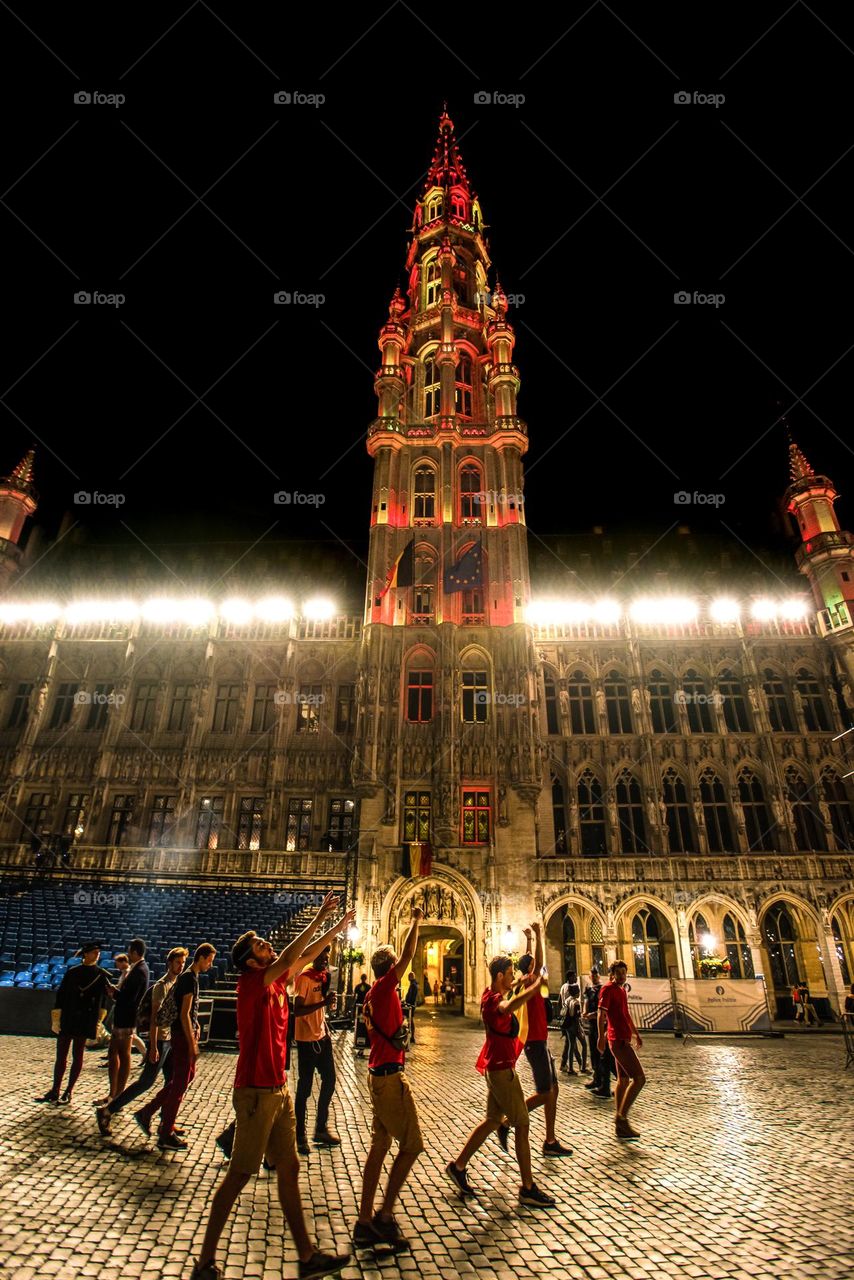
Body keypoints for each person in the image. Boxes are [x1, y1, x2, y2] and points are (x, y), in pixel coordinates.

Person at [192, 893, 353, 1280]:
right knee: (239, 1175)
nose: (269, 944)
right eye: (261, 945)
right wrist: (317, 916)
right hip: (255, 1091)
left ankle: (307, 1255)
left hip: (278, 1089)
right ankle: (204, 1262)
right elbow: (288, 957)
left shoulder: (278, 979)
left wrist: (336, 927)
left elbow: (305, 955)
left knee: (290, 1167)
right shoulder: (251, 983)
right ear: (252, 960)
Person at [445, 953, 556, 1207]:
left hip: (497, 1068)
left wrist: (522, 981)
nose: (511, 978)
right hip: (501, 1071)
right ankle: (528, 1187)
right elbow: (508, 1006)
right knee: (522, 1123)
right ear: (498, 976)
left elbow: (513, 987)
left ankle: (458, 1166)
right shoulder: (494, 1002)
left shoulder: (488, 993)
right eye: (507, 975)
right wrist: (534, 988)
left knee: (493, 1120)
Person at [353, 907, 425, 1252]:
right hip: (388, 1078)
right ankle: (383, 1214)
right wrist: (415, 920)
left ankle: (365, 1221)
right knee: (411, 1145)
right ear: (389, 969)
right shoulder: (383, 989)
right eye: (396, 965)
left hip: (376, 1073)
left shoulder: (372, 994)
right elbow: (410, 953)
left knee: (379, 1148)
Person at [96, 946, 188, 1136]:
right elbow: (155, 1019)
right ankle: (107, 1110)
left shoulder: (177, 984)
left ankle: (166, 1121)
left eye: (183, 962)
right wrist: (152, 1047)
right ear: (170, 963)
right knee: (145, 1082)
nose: (181, 966)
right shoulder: (161, 986)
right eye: (178, 962)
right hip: (160, 1041)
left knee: (172, 1082)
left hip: (169, 1040)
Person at [134, 942, 216, 1150]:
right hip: (182, 1036)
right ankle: (165, 1130)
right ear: (202, 957)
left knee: (185, 1078)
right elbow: (184, 1013)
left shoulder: (189, 978)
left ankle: (149, 1112)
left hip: (183, 1034)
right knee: (179, 1082)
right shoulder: (189, 979)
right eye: (210, 960)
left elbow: (189, 1012)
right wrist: (192, 1042)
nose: (211, 965)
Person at [504, 924, 571, 1157]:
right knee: (545, 1092)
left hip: (540, 1040)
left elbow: (530, 962)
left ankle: (550, 1138)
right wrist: (540, 934)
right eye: (532, 963)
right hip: (535, 1041)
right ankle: (506, 1122)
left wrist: (530, 939)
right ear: (530, 968)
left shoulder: (528, 980)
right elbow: (538, 963)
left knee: (554, 1088)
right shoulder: (532, 980)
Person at [37, 941, 116, 1104]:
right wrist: (56, 1018)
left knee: (77, 1055)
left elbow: (102, 1002)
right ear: (85, 954)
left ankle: (68, 1091)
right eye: (94, 952)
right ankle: (55, 1089)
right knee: (61, 1056)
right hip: (69, 1016)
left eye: (98, 952)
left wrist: (97, 1022)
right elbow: (61, 995)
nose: (97, 954)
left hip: (85, 1019)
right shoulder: (72, 973)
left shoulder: (102, 975)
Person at [294, 946, 339, 1154]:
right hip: (306, 1038)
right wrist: (322, 1002)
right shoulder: (304, 978)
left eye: (327, 957)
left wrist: (327, 1006)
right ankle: (300, 1135)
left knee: (329, 1080)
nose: (324, 960)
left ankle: (320, 1127)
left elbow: (321, 1005)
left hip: (322, 1035)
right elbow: (298, 1009)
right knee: (305, 1087)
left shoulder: (323, 977)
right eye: (321, 956)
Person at [95, 938, 149, 1107]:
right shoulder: (137, 969)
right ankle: (114, 1093)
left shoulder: (139, 970)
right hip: (124, 1016)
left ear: (134, 952)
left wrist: (115, 993)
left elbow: (129, 997)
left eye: (129, 951)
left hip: (127, 1017)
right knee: (114, 1053)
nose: (128, 954)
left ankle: (117, 1095)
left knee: (122, 1055)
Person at [597, 961, 646, 1140]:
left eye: (624, 972)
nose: (621, 976)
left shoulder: (621, 990)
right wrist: (600, 1037)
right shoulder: (608, 989)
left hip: (624, 1038)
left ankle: (620, 1125)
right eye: (618, 973)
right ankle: (621, 1118)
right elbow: (601, 1014)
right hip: (617, 1041)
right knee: (640, 1079)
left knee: (623, 1081)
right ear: (612, 974)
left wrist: (636, 1034)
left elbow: (626, 1015)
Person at [583, 967, 612, 1098]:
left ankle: (606, 1083)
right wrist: (585, 1012)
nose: (594, 977)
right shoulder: (589, 989)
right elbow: (586, 1001)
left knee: (603, 1055)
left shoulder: (602, 989)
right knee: (594, 1052)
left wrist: (592, 1015)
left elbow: (602, 1009)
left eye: (596, 975)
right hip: (592, 1024)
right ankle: (597, 1078)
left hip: (601, 1024)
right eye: (592, 975)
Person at [563, 983, 587, 1075]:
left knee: (571, 1046)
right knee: (584, 1044)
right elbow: (576, 1017)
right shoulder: (576, 1002)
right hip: (574, 1025)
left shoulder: (567, 1000)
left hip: (568, 1025)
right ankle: (583, 1067)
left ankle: (571, 1068)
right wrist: (579, 1029)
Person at [403, 973, 418, 1044]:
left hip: (411, 1005)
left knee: (410, 1020)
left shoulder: (413, 985)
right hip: (411, 1004)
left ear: (411, 977)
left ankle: (412, 1036)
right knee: (410, 1020)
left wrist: (408, 1003)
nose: (408, 978)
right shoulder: (413, 984)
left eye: (409, 976)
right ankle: (411, 1036)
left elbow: (412, 996)